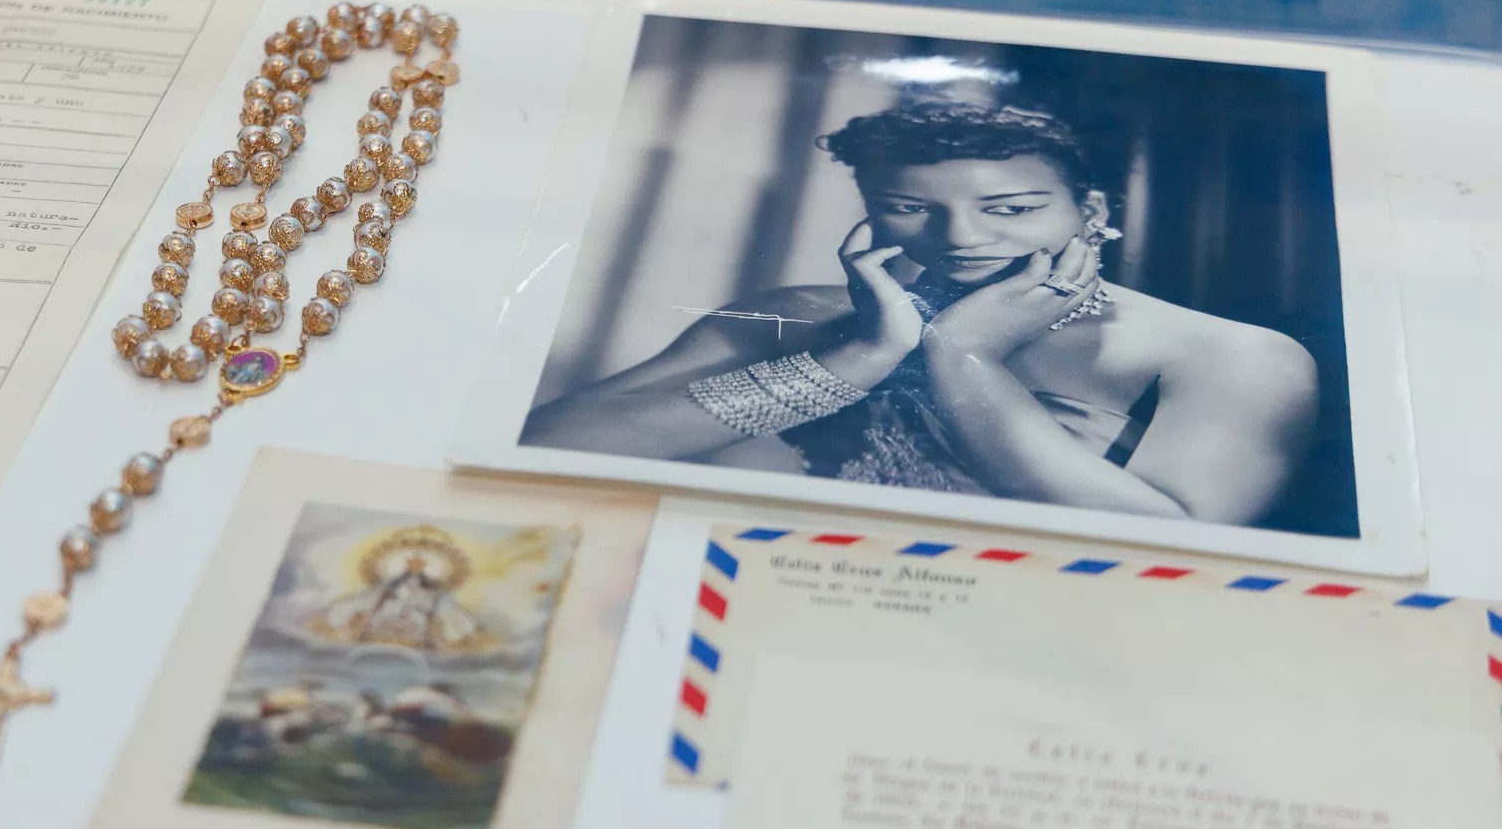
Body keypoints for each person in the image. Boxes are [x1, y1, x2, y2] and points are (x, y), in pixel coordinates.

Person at [524, 103, 1319, 524]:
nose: (962, 237)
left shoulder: (1230, 356)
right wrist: (859, 357)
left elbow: (1175, 548)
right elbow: (551, 445)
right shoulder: (797, 316)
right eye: (907, 208)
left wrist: (963, 356)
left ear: (1091, 210)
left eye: (1011, 208)